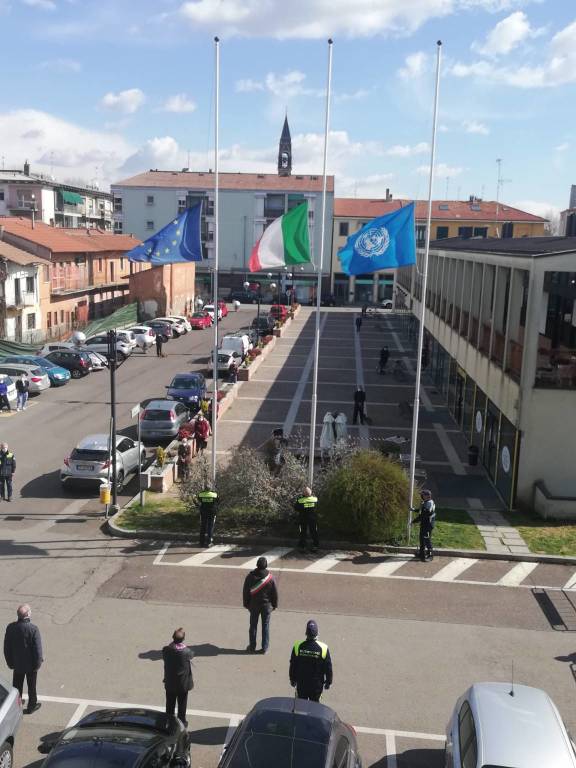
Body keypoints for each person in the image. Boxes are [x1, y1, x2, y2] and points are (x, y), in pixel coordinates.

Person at [3, 604, 43, 713]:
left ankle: (17, 705)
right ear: (28, 614)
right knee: (32, 687)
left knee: (17, 687)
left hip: (17, 664)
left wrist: (10, 663)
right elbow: (38, 651)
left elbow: (7, 647)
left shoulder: (11, 627)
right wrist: (37, 664)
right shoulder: (33, 629)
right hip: (31, 666)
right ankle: (31, 706)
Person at [289, 619, 332, 702]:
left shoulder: (297, 646)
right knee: (315, 710)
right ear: (317, 633)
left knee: (301, 707)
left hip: (302, 684)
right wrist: (328, 682)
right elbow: (328, 667)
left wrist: (292, 679)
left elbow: (293, 664)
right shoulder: (323, 648)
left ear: (306, 633)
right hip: (316, 686)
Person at [243, 556, 278, 654]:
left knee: (253, 626)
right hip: (266, 606)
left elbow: (246, 591)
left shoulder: (250, 577)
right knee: (265, 626)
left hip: (253, 605)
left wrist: (246, 603)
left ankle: (252, 646)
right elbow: (274, 593)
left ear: (257, 565)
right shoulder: (270, 578)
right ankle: (264, 648)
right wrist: (274, 605)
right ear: (266, 565)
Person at [162, 628, 194, 726]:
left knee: (170, 705)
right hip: (182, 683)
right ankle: (182, 723)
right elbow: (191, 655)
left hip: (170, 682)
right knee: (182, 704)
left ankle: (169, 723)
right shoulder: (187, 652)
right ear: (183, 639)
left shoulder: (166, 650)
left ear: (172, 637)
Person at [412, 489, 436, 562]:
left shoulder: (429, 504)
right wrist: (414, 510)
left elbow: (423, 515)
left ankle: (430, 555)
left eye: (423, 495)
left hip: (428, 525)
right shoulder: (425, 502)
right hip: (424, 524)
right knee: (422, 540)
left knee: (427, 540)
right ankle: (421, 553)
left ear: (427, 496)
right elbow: (421, 511)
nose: (421, 496)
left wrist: (414, 521)